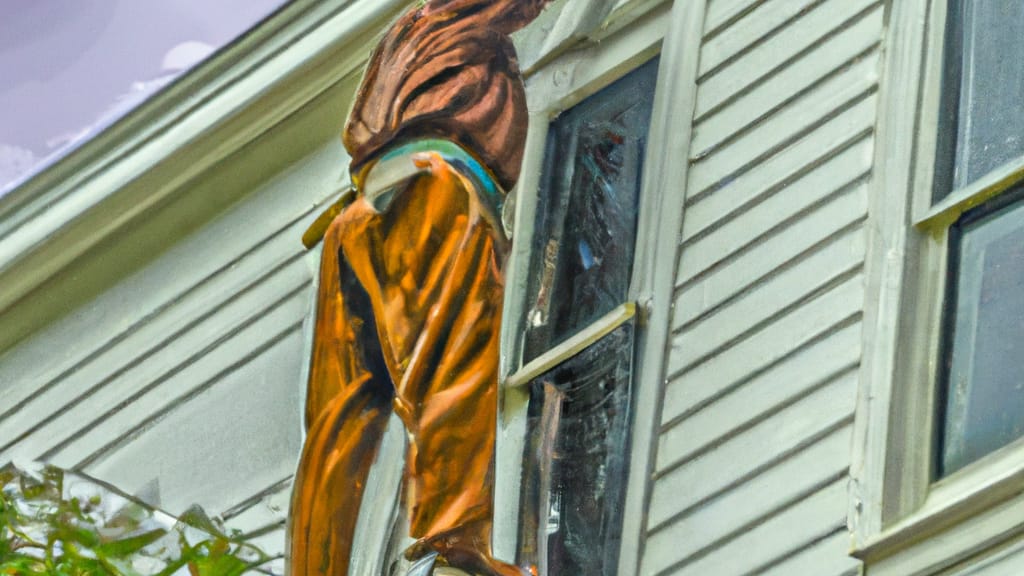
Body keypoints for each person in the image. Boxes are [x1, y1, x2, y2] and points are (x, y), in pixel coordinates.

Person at [288, 1, 551, 574]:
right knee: (448, 353)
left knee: (340, 414)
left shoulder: (408, 29)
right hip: (434, 184)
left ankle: (314, 564)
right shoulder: (461, 15)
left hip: (359, 211)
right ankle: (453, 548)